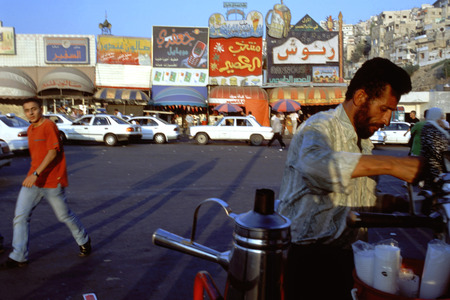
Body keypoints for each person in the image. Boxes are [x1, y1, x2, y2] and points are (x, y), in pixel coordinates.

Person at [276, 57, 423, 300]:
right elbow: (316, 167)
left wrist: (396, 204)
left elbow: (353, 199)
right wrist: (394, 164)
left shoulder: (363, 141)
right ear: (361, 98)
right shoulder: (320, 126)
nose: (387, 120)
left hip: (350, 258)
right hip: (311, 262)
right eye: (384, 109)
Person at [0, 99, 91, 269]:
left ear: (41, 109)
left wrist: (36, 174)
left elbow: (52, 153)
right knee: (20, 216)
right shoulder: (30, 129)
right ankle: (19, 256)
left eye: (34, 109)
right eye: (27, 110)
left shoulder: (49, 126)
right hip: (33, 181)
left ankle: (84, 239)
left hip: (51, 181)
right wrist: (33, 175)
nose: (31, 113)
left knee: (64, 216)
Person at [420, 107, 450, 213]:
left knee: (434, 190)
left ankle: (429, 212)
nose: (442, 118)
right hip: (435, 166)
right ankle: (428, 214)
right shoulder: (430, 128)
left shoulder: (435, 127)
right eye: (440, 116)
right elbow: (436, 148)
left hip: (438, 164)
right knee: (434, 189)